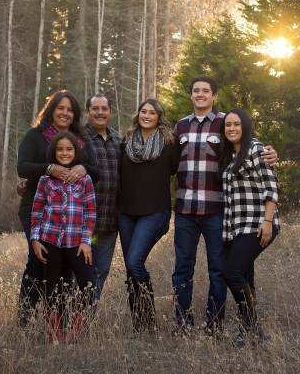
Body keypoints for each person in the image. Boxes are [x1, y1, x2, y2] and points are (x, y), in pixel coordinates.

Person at [172, 75, 277, 337]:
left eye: (206, 91)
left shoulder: (224, 123)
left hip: (216, 211)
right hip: (185, 210)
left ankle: (214, 325)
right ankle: (183, 324)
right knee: (182, 268)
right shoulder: (180, 127)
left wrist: (270, 153)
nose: (200, 95)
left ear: (214, 95)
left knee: (219, 270)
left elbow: (250, 146)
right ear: (191, 94)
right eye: (195, 90)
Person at [16, 90, 100, 328]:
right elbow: (23, 167)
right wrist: (49, 168)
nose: (65, 113)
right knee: (37, 259)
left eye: (70, 109)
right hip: (38, 206)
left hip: (72, 215)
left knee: (64, 267)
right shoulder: (36, 134)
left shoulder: (79, 139)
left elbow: (95, 171)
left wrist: (84, 169)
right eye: (60, 108)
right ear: (51, 109)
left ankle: (59, 320)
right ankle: (26, 318)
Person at [217, 108, 280, 346]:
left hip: (257, 223)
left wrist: (267, 222)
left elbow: (271, 187)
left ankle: (251, 329)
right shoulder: (230, 154)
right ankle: (252, 334)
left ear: (245, 125)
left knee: (231, 273)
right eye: (227, 125)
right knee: (244, 275)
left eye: (236, 124)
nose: (231, 129)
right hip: (237, 226)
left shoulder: (255, 149)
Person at [117, 99, 180, 334]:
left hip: (155, 212)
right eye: (143, 111)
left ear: (159, 117)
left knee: (135, 262)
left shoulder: (169, 143)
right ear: (138, 115)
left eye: (152, 112)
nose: (146, 115)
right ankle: (140, 325)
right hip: (125, 213)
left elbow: (176, 170)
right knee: (130, 268)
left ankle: (149, 319)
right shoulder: (127, 142)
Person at [30, 131, 97, 343]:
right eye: (60, 149)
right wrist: (35, 239)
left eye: (69, 149)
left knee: (88, 283)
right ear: (53, 152)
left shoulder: (84, 180)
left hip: (77, 242)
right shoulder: (45, 181)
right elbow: (37, 210)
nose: (64, 153)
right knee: (51, 286)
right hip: (50, 240)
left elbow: (90, 211)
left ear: (76, 152)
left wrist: (87, 240)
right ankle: (56, 335)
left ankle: (76, 330)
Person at [83, 95, 122, 299]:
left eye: (104, 109)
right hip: (81, 223)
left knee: (99, 275)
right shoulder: (77, 138)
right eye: (95, 108)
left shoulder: (118, 142)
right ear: (87, 112)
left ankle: (83, 325)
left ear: (110, 113)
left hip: (108, 222)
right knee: (78, 275)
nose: (100, 112)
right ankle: (66, 323)